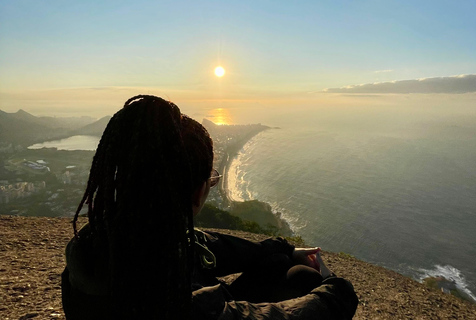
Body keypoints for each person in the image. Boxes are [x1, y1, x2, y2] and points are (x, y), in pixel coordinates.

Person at [61, 95, 358, 320]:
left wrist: (282, 249)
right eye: (211, 179)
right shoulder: (176, 300)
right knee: (306, 280)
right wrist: (337, 292)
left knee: (279, 264)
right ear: (199, 190)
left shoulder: (108, 242)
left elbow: (204, 246)